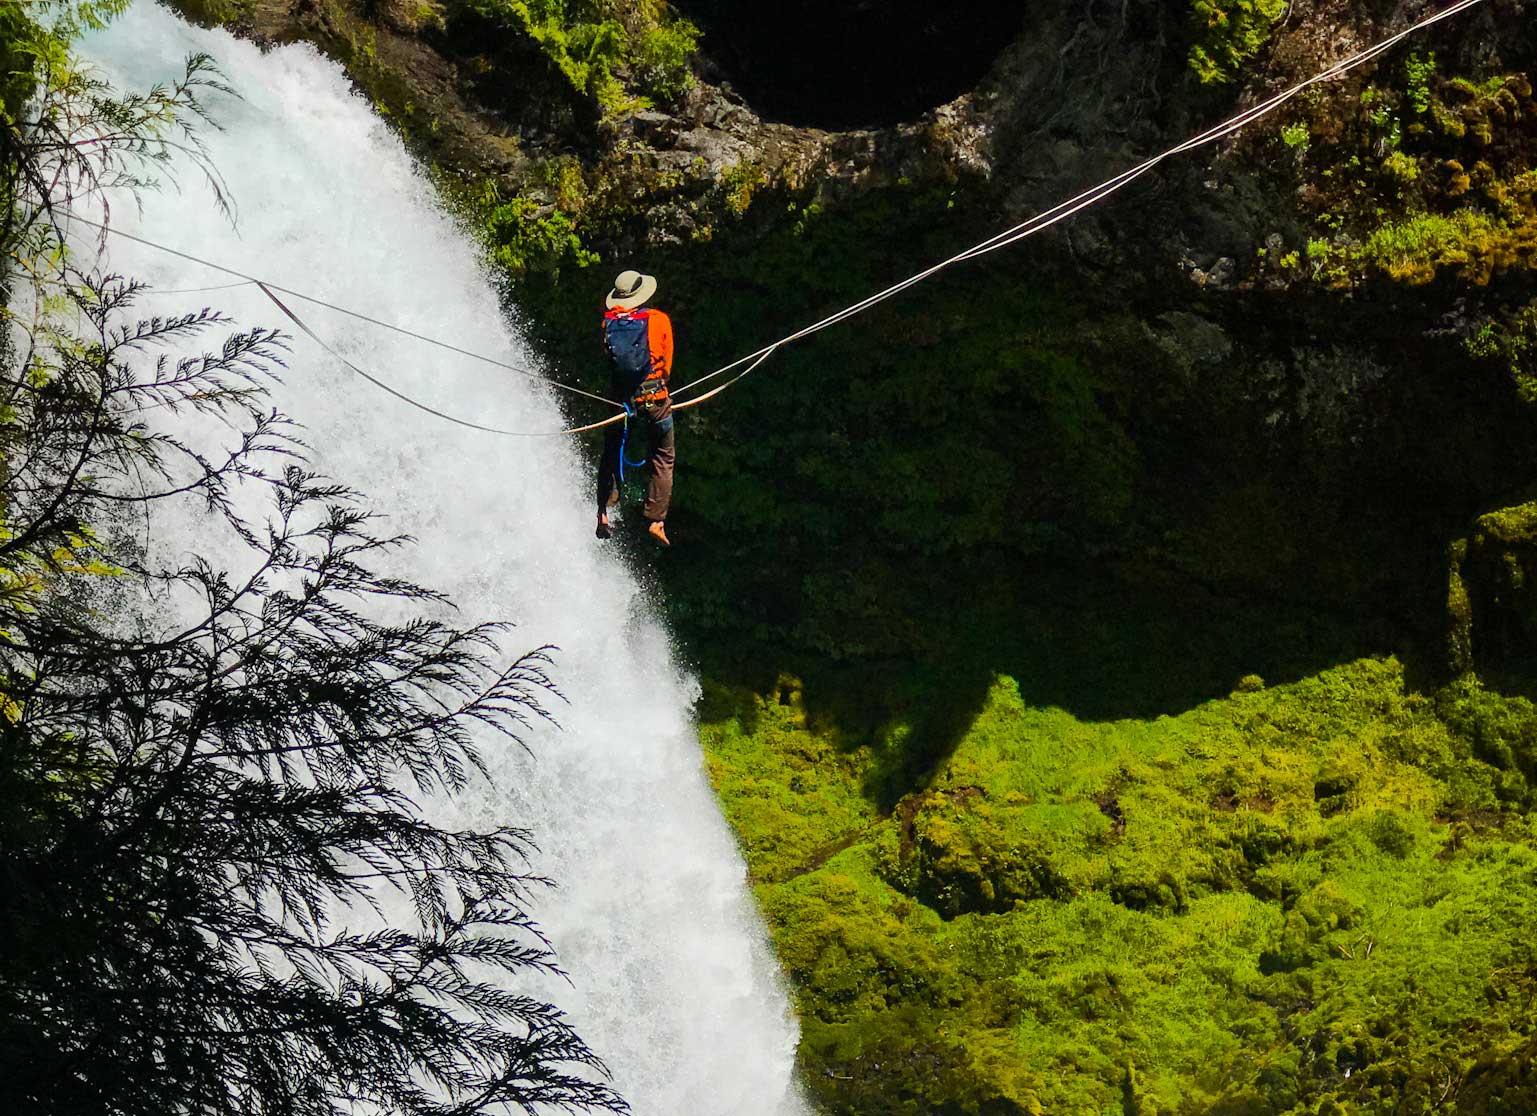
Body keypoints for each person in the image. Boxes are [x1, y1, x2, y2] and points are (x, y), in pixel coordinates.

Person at [596, 269, 674, 546]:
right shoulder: (658, 320)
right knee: (662, 457)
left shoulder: (608, 323)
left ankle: (603, 512)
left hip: (619, 399)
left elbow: (610, 359)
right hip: (654, 398)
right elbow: (665, 366)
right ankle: (656, 520)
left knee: (611, 449)